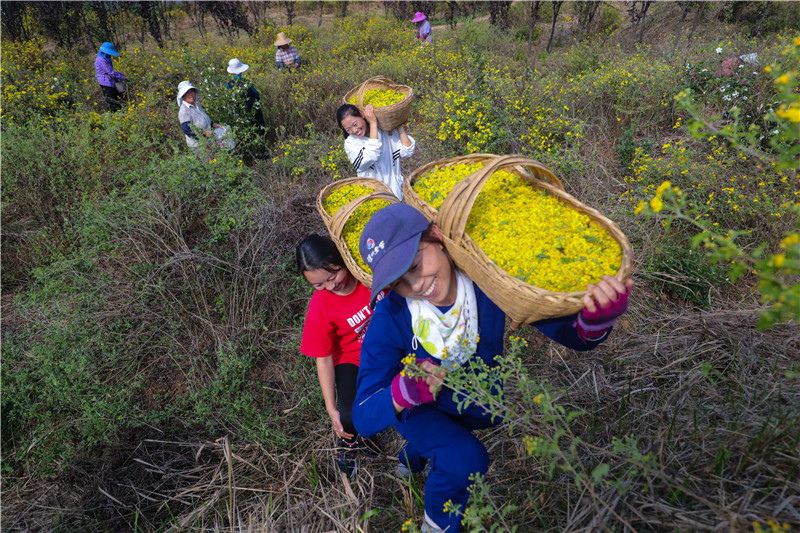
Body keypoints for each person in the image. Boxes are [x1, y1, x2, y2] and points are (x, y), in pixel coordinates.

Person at [353, 204, 633, 533]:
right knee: (465, 458)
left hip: (476, 404)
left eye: (415, 265)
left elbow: (575, 337)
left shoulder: (489, 282)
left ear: (436, 237)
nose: (415, 285)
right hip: (420, 408)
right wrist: (402, 393)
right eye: (399, 281)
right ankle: (437, 524)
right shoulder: (392, 316)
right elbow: (363, 415)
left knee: (452, 435)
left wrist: (594, 322)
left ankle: (413, 457)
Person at [296, 235, 387, 477]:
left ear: (342, 259)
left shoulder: (368, 275)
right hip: (354, 358)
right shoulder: (321, 305)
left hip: (393, 347)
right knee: (349, 415)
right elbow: (323, 358)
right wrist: (330, 407)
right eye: (317, 285)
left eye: (333, 275)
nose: (329, 287)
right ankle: (349, 444)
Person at [336, 103, 415, 200]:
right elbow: (370, 157)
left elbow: (407, 151)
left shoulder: (384, 132)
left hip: (396, 194)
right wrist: (373, 123)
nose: (354, 130)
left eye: (355, 124)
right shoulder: (351, 143)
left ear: (362, 114)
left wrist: (398, 126)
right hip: (374, 198)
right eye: (348, 129)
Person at [176, 80, 222, 150]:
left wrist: (213, 124)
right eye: (187, 92)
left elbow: (202, 117)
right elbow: (187, 129)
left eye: (192, 91)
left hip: (208, 141)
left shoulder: (196, 104)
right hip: (198, 145)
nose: (191, 94)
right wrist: (203, 132)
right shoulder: (184, 110)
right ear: (183, 96)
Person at [225, 58, 266, 136]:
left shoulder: (229, 84)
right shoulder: (247, 82)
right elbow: (256, 94)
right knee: (259, 126)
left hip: (239, 110)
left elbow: (228, 97)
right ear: (241, 70)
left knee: (244, 130)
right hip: (253, 108)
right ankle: (261, 142)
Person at [94, 42, 126, 112]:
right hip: (105, 81)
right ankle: (114, 115)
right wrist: (122, 77)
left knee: (116, 98)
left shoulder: (105, 57)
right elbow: (111, 73)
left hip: (108, 80)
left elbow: (110, 71)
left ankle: (118, 113)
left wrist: (120, 74)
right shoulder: (102, 60)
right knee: (111, 100)